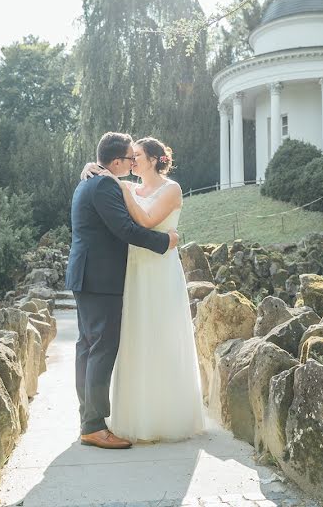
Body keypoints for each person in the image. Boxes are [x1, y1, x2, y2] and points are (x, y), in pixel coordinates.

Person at [81, 137, 205, 443]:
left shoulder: (171, 188)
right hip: (134, 272)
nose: (132, 160)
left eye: (137, 155)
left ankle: (165, 415)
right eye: (130, 156)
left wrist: (116, 183)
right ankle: (135, 415)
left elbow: (147, 221)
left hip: (160, 270)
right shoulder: (129, 188)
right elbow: (113, 198)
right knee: (135, 340)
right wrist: (95, 168)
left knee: (161, 335)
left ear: (153, 159)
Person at [66, 132, 179, 450]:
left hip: (87, 276)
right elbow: (126, 229)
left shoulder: (90, 180)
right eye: (130, 158)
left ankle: (89, 418)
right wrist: (165, 242)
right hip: (99, 278)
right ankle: (93, 426)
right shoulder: (102, 184)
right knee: (101, 348)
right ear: (116, 162)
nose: (133, 162)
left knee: (88, 347)